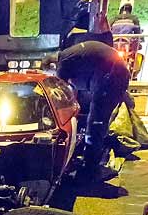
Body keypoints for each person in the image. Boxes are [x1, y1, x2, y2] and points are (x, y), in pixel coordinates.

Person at [44, 40, 130, 180]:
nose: (53, 74)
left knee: (96, 123)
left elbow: (63, 91)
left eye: (50, 72)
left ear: (53, 65)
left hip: (111, 80)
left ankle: (90, 170)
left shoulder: (63, 64)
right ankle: (92, 158)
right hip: (113, 76)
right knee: (97, 120)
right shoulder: (70, 55)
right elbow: (73, 90)